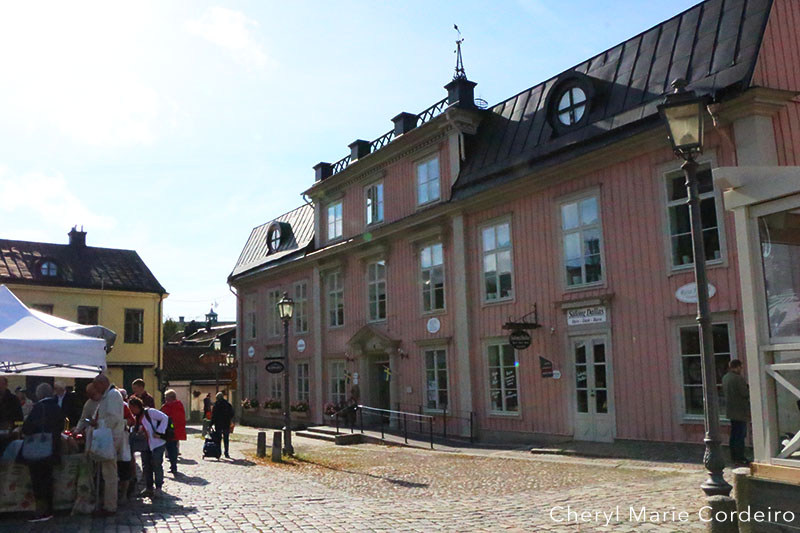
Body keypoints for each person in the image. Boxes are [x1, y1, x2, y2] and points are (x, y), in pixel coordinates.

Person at [21, 382, 64, 522]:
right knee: (48, 479)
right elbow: (61, 426)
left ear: (39, 394)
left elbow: (27, 428)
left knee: (38, 481)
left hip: (39, 448)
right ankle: (49, 509)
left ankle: (41, 510)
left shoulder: (38, 407)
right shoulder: (57, 407)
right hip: (53, 448)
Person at [91, 374, 126, 516]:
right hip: (110, 437)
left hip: (110, 438)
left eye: (96, 385)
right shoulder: (110, 395)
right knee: (108, 473)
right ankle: (108, 503)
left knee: (110, 473)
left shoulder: (112, 395)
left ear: (102, 383)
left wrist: (98, 424)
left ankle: (110, 506)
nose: (95, 389)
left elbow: (113, 418)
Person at [128, 396, 169, 499]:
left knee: (156, 464)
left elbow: (165, 418)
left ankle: (158, 488)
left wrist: (160, 432)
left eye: (132, 408)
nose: (131, 410)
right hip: (146, 445)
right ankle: (149, 488)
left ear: (137, 406)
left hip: (157, 443)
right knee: (146, 466)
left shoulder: (149, 412)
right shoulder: (136, 417)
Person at [722, 359, 751, 465]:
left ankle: (733, 456)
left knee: (734, 435)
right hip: (740, 410)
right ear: (737, 367)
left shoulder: (725, 378)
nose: (741, 370)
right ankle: (740, 457)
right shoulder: (738, 379)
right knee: (740, 435)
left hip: (730, 410)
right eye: (741, 367)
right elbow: (744, 393)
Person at [160, 389, 186, 475]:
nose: (165, 399)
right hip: (175, 431)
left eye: (166, 397)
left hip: (169, 432)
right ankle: (173, 466)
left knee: (170, 449)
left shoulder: (168, 407)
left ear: (170, 398)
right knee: (173, 449)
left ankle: (173, 466)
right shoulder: (179, 405)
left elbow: (165, 418)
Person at [210, 392, 234, 459]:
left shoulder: (216, 405)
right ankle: (226, 453)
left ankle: (219, 453)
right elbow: (232, 413)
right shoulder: (227, 404)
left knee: (218, 439)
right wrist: (229, 419)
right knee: (226, 439)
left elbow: (214, 415)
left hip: (218, 424)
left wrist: (211, 424)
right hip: (226, 424)